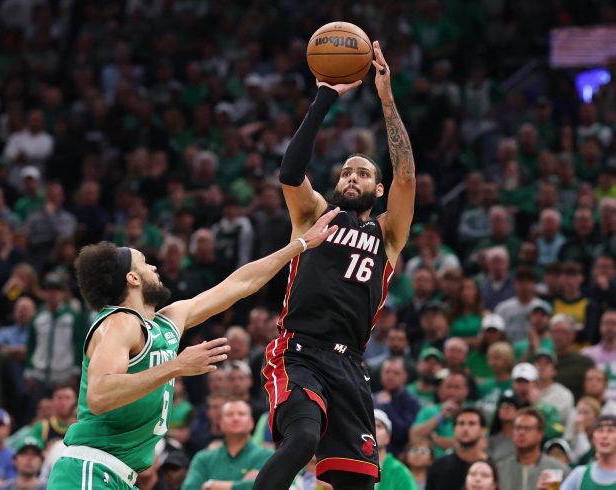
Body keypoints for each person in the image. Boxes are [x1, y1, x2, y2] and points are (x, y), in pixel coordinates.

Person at [48, 209, 339, 488]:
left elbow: (240, 283)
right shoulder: (120, 322)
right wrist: (177, 366)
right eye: (145, 263)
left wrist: (300, 245)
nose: (154, 267)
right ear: (132, 278)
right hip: (91, 471)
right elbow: (99, 395)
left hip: (120, 476)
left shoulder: (166, 322)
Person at [255, 42, 416, 489]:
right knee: (303, 435)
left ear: (378, 190)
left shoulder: (388, 234)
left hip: (352, 366)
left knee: (357, 484)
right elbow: (289, 172)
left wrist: (386, 99)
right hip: (300, 350)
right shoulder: (315, 215)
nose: (351, 177)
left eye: (362, 173)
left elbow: (406, 176)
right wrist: (325, 95)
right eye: (346, 171)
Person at [181, 400, 273, 489]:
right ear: (221, 424)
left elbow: (269, 486)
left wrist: (212, 485)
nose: (235, 418)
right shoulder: (203, 458)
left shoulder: (268, 456)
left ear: (251, 423)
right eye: (229, 415)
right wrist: (244, 485)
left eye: (241, 414)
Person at [496, 408, 569, 490]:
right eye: (517, 428)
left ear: (540, 434)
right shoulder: (500, 470)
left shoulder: (558, 470)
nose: (521, 433)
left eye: (527, 428)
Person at [425, 407, 488, 490]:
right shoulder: (438, 466)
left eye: (472, 423)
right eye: (461, 423)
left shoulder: (491, 467)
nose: (465, 428)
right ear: (454, 429)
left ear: (482, 430)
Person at [556, 414, 616, 490]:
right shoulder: (580, 474)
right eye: (600, 431)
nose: (604, 436)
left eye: (611, 431)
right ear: (593, 438)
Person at [373, 409, 417, 490]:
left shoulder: (400, 473)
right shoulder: (353, 467)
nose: (373, 429)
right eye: (370, 426)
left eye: (378, 426)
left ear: (388, 438)